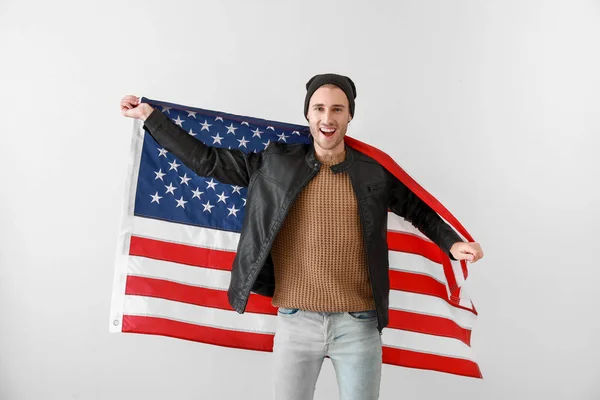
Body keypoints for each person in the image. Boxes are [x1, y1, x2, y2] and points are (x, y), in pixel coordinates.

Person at [120, 73, 484, 400]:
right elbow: (207, 160)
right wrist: (150, 118)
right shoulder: (275, 163)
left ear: (349, 116)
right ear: (308, 115)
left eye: (337, 109)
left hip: (358, 326)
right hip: (297, 324)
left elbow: (415, 209)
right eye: (319, 108)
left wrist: (452, 243)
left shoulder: (372, 172)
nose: (328, 118)